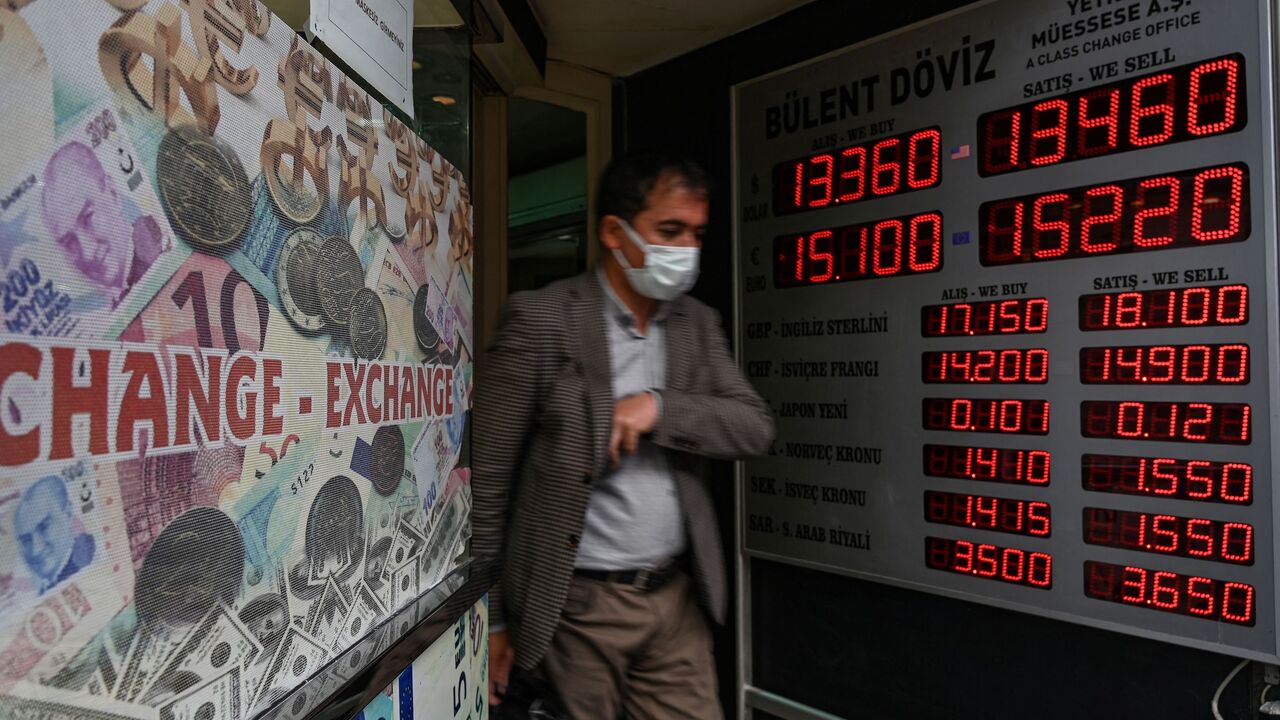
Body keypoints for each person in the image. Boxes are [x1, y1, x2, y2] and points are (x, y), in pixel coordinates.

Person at [473, 151, 774, 718]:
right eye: (669, 230)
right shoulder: (540, 320)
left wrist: (657, 408)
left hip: (674, 598)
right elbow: (487, 484)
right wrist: (491, 620)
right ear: (615, 231)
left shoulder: (696, 324)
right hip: (576, 607)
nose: (687, 249)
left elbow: (753, 427)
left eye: (696, 233)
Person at [40, 140, 164, 306]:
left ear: (112, 193)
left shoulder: (160, 247)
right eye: (69, 242)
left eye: (88, 217)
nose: (88, 251)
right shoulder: (112, 309)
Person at [16, 474, 95, 594]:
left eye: (44, 526)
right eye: (26, 540)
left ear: (68, 513)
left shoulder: (84, 561)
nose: (36, 549)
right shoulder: (42, 587)